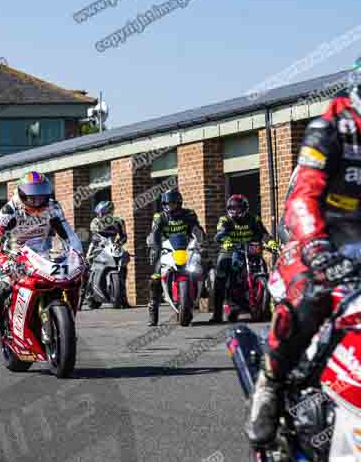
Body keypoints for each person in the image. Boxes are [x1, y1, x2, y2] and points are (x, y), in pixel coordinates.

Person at [246, 68, 361, 447]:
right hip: (316, 236)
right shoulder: (329, 129)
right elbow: (302, 198)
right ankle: (271, 384)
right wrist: (316, 247)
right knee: (310, 296)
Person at [0, 172, 84, 331]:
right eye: (33, 198)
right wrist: (3, 260)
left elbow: (67, 233)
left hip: (44, 255)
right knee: (0, 287)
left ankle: (68, 321)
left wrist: (78, 253)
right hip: (15, 256)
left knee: (71, 280)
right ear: (23, 195)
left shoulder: (53, 206)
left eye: (41, 197)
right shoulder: (9, 209)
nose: (38, 202)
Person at [211, 194, 277, 323]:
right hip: (230, 250)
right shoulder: (225, 220)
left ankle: (266, 308)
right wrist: (225, 241)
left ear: (245, 208)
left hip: (250, 250)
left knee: (263, 265)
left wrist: (271, 243)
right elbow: (220, 233)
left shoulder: (253, 219)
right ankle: (217, 313)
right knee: (221, 275)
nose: (235, 211)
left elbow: (263, 233)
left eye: (238, 208)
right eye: (232, 208)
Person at [148, 188, 205, 326]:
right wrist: (156, 246)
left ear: (179, 203)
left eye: (173, 203)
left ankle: (206, 290)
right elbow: (155, 234)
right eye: (167, 204)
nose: (170, 206)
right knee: (155, 277)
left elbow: (196, 229)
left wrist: (200, 239)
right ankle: (153, 308)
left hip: (185, 248)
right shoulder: (160, 217)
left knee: (203, 264)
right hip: (166, 249)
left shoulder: (189, 214)